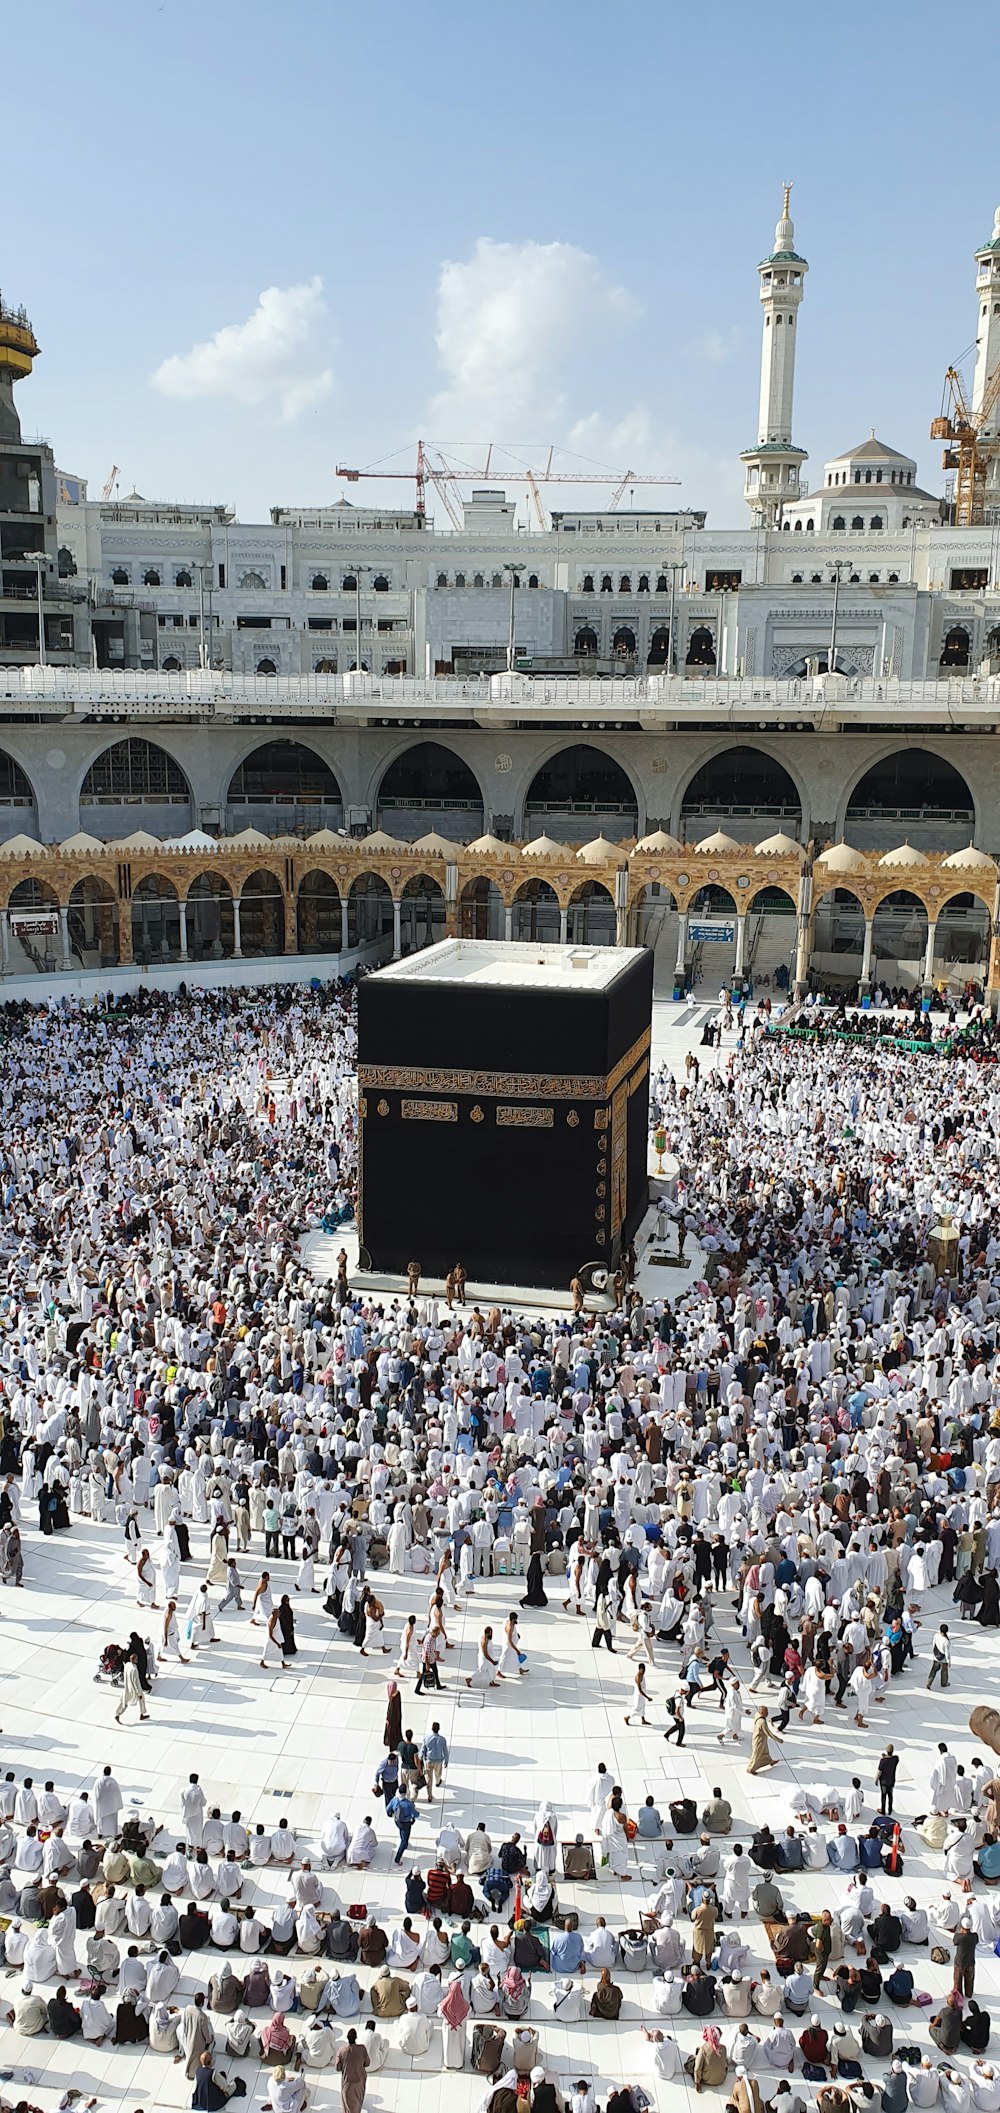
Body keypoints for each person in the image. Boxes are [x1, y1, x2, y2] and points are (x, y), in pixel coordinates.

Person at [336, 2024, 370, 2112]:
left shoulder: (342, 2051)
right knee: (358, 2103)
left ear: (347, 2038)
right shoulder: (362, 2048)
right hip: (360, 2080)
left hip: (347, 2082)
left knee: (347, 2106)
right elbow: (367, 2063)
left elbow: (337, 2067)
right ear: (356, 2037)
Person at [115, 1652, 149, 1724]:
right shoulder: (134, 1670)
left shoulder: (127, 1665)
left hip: (127, 1687)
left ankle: (118, 1714)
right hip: (133, 1690)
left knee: (124, 1701)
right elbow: (136, 1683)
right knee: (140, 1699)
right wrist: (139, 1693)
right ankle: (141, 1714)